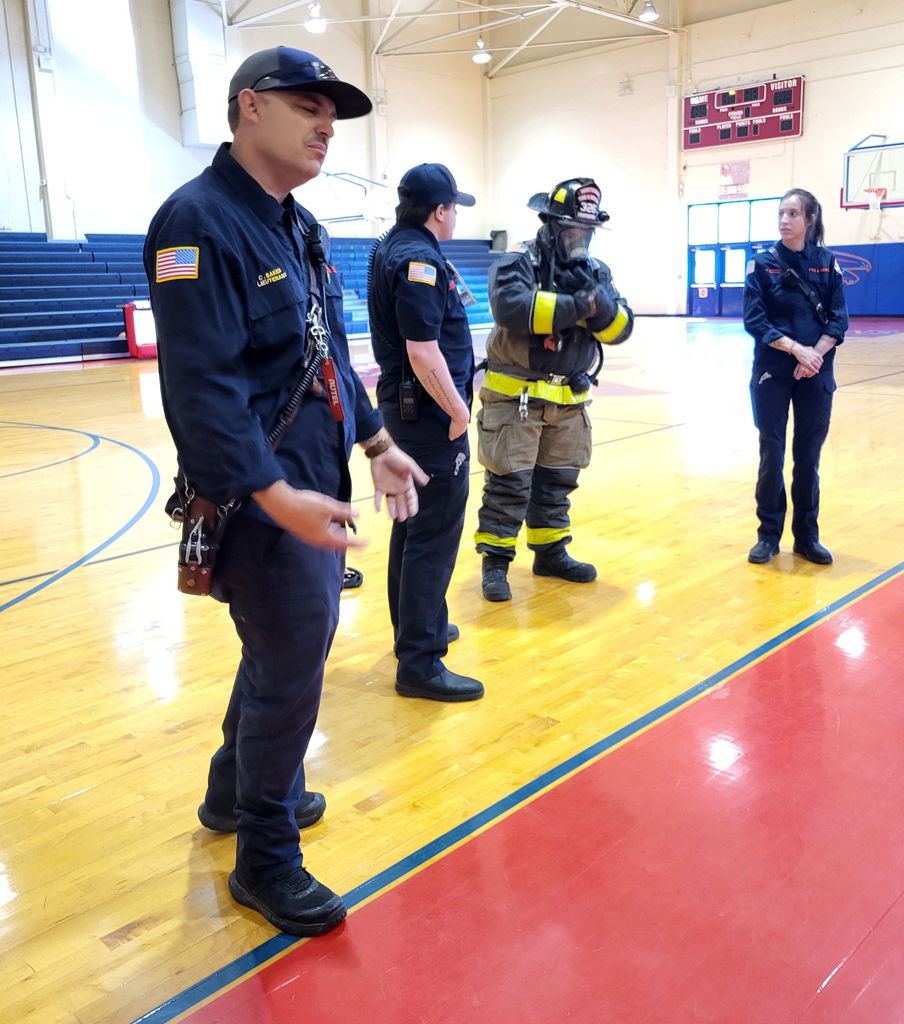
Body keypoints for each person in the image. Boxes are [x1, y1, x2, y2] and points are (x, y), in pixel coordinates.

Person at [143, 46, 427, 938]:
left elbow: (328, 355)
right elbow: (200, 390)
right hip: (261, 503)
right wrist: (273, 495)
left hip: (309, 484)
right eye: (307, 104)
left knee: (277, 661)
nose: (325, 124)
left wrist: (376, 440)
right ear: (247, 109)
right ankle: (264, 858)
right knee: (292, 677)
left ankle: (233, 796)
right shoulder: (196, 223)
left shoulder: (296, 225)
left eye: (331, 110)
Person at [474, 177, 633, 601]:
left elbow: (621, 327)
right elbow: (512, 309)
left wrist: (599, 311)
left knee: (557, 484)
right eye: (574, 230)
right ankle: (495, 562)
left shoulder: (597, 272)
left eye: (588, 230)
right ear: (550, 224)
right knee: (509, 484)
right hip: (516, 400)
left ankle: (550, 552)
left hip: (568, 402)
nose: (582, 238)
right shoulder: (517, 262)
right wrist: (580, 308)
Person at [368, 164, 485, 702]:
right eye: (454, 206)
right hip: (429, 416)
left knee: (412, 524)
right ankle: (420, 661)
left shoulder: (398, 245)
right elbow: (422, 350)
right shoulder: (418, 258)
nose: (456, 215)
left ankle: (418, 628)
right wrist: (458, 411)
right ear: (440, 210)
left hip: (409, 411)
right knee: (433, 534)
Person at [743, 187, 848, 565]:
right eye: (781, 213)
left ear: (809, 219)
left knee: (808, 457)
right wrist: (795, 349)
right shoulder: (761, 263)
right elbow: (756, 320)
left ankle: (806, 537)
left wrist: (814, 354)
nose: (785, 220)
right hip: (773, 371)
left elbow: (839, 318)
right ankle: (768, 537)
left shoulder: (826, 262)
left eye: (792, 214)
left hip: (816, 372)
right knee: (771, 453)